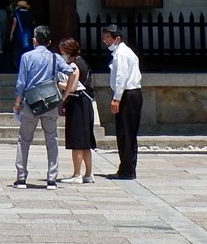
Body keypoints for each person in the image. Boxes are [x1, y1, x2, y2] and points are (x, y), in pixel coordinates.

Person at [11, 25, 67, 188]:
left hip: (32, 102)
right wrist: (65, 94)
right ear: (49, 42)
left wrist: (18, 102)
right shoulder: (55, 57)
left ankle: (21, 177)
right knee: (52, 139)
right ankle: (52, 177)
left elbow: (21, 82)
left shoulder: (27, 57)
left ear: (35, 40)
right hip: (50, 102)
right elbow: (70, 71)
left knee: (24, 140)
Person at [102, 24, 144, 180]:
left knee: (126, 133)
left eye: (107, 38)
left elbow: (121, 77)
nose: (105, 41)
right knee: (127, 133)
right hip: (130, 94)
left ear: (117, 38)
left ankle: (127, 169)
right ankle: (127, 167)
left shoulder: (122, 54)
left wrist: (116, 98)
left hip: (128, 94)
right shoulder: (124, 52)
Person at [58, 37, 99, 183]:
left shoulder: (74, 65)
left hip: (78, 103)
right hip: (86, 103)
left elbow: (73, 86)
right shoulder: (83, 62)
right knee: (86, 141)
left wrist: (59, 84)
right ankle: (88, 173)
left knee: (78, 141)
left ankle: (77, 174)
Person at [8, 0, 34, 70]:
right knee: (27, 50)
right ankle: (28, 66)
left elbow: (14, 23)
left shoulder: (17, 13)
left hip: (19, 33)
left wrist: (11, 34)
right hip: (28, 34)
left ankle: (19, 66)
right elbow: (32, 24)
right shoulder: (30, 14)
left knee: (19, 51)